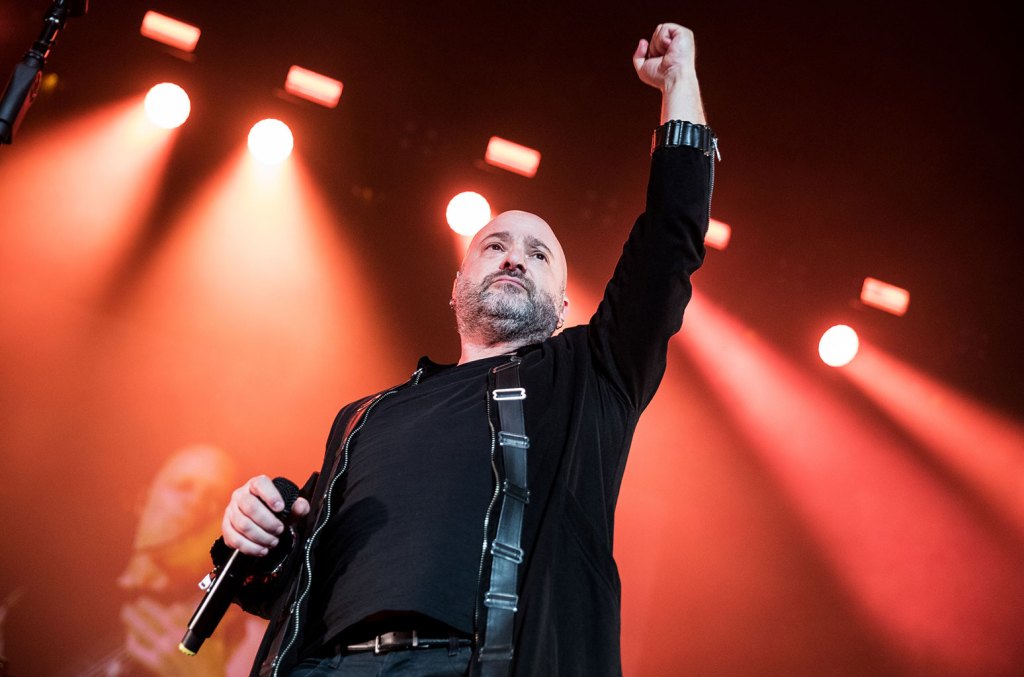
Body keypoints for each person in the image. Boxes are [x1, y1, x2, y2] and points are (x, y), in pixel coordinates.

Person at [216, 22, 716, 676]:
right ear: (456, 288)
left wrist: (679, 82)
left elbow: (671, 236)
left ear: (565, 305)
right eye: (495, 244)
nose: (515, 255)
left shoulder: (590, 372)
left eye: (539, 254)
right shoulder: (366, 416)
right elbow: (299, 580)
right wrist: (256, 532)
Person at [111, 445, 265, 677]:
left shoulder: (242, 635)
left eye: (215, 498)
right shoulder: (76, 600)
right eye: (183, 487)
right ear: (142, 501)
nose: (196, 503)